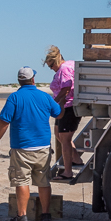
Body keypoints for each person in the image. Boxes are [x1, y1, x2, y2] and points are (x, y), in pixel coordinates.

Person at [0, 67, 61, 221]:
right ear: (33, 79)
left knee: (21, 181)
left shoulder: (14, 98)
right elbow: (58, 112)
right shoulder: (44, 96)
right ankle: (45, 214)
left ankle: (22, 216)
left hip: (21, 147)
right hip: (42, 147)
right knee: (43, 181)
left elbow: (4, 121)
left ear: (19, 81)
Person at [44, 46, 83, 180]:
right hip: (62, 107)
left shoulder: (65, 68)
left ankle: (68, 171)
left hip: (68, 105)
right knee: (58, 134)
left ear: (57, 60)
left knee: (65, 139)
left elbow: (66, 88)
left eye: (51, 65)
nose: (51, 68)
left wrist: (54, 101)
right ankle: (76, 159)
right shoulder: (68, 65)